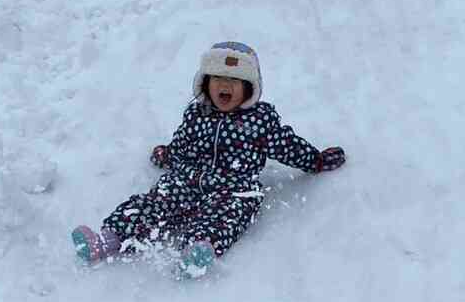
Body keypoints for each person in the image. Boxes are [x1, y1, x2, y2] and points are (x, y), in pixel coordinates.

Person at [72, 41, 346, 278]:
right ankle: (106, 240)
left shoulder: (260, 122)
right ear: (205, 83)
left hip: (234, 186)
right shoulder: (196, 115)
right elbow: (182, 142)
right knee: (151, 204)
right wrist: (167, 155)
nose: (225, 85)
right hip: (187, 179)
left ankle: (197, 251)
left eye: (234, 81)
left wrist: (315, 160)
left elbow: (286, 145)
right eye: (218, 79)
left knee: (228, 215)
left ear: (249, 87)